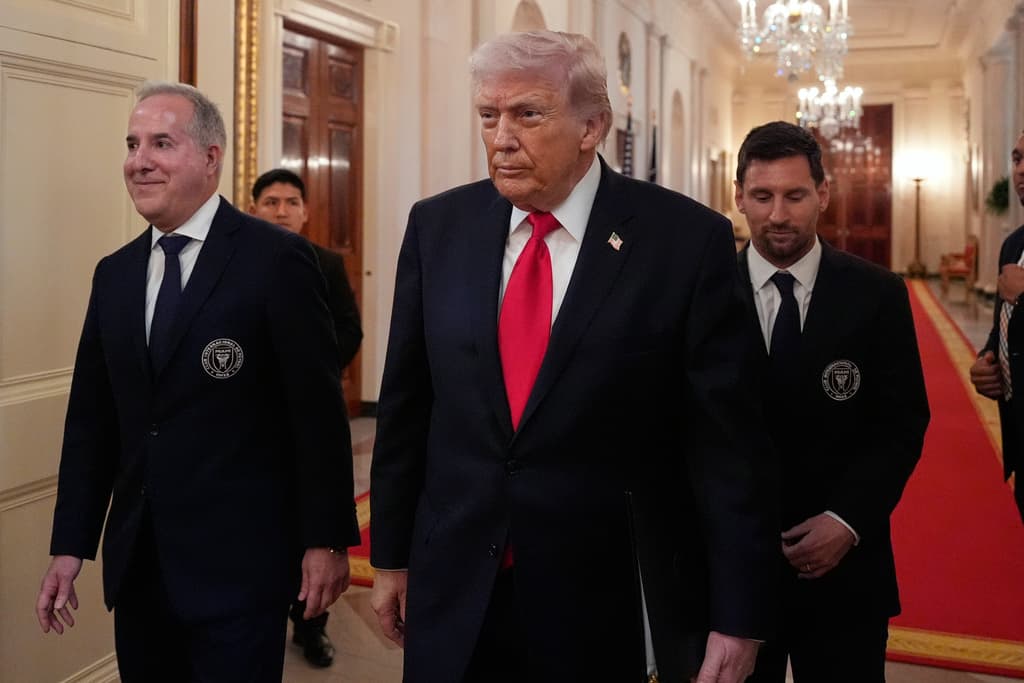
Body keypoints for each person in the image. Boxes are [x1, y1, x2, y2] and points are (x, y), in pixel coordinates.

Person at [369, 30, 778, 683]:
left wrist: (738, 613)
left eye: (527, 114)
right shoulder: (436, 228)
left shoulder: (683, 242)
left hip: (607, 596)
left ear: (592, 126)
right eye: (487, 115)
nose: (501, 137)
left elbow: (729, 449)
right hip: (458, 582)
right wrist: (390, 556)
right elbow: (408, 408)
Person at [35, 81, 360, 683]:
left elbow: (315, 416)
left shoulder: (277, 261)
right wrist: (70, 545)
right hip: (140, 565)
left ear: (211, 158)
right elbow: (93, 422)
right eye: (132, 144)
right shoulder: (115, 275)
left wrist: (327, 541)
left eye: (162, 142)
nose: (139, 160)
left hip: (242, 562)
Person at [734, 121, 930, 682]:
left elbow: (902, 424)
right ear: (739, 196)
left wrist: (848, 520)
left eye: (795, 195)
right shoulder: (705, 294)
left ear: (823, 193)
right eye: (763, 196)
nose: (778, 214)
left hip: (847, 571)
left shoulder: (877, 295)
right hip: (733, 573)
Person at [250, 167, 363, 667]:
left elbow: (348, 330)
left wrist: (307, 368)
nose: (280, 210)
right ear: (254, 208)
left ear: (306, 210)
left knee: (310, 517)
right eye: (270, 201)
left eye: (290, 201)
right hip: (253, 416)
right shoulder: (239, 261)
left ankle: (311, 625)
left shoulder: (326, 263)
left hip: (310, 413)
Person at [970, 130, 1024, 524]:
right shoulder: (1013, 245)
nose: (1021, 170)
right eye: (1017, 159)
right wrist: (988, 360)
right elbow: (1002, 326)